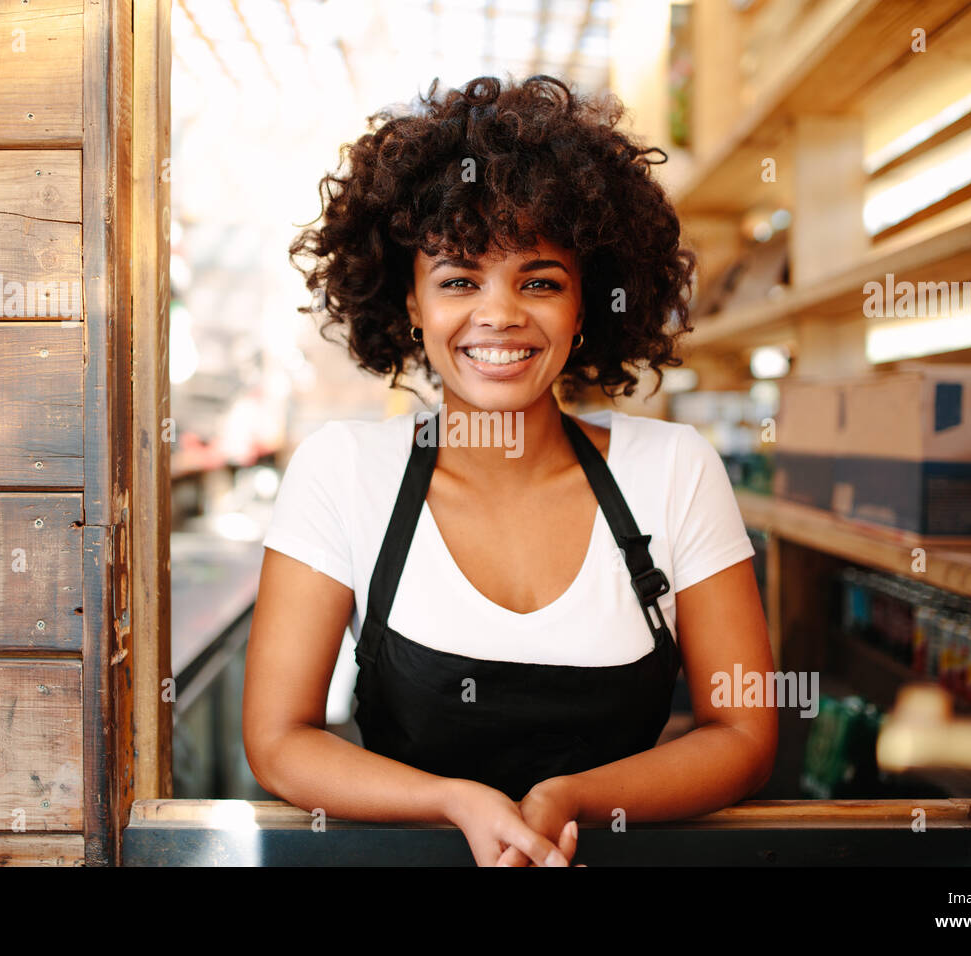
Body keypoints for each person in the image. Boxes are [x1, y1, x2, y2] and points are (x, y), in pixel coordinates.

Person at [243, 75, 776, 867]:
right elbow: (280, 739)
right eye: (460, 279)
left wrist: (569, 799)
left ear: (586, 302)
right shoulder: (344, 472)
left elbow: (744, 734)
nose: (500, 314)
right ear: (411, 303)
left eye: (540, 281)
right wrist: (455, 802)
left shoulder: (673, 471)